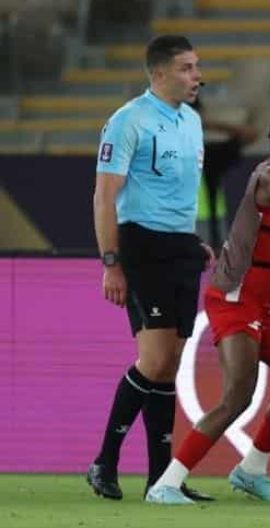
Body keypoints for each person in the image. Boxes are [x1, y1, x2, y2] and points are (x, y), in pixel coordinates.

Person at [146, 104, 270, 505]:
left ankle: (252, 469)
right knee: (237, 396)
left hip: (265, 299)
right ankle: (167, 483)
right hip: (234, 295)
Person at [88, 34, 214, 503]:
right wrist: (111, 263)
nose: (196, 76)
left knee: (172, 364)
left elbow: (177, 193)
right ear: (158, 73)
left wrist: (191, 241)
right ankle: (104, 460)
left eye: (196, 66)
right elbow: (104, 196)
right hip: (140, 245)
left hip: (179, 246)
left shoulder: (192, 123)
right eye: (186, 68)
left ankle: (162, 480)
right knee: (156, 359)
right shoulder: (128, 121)